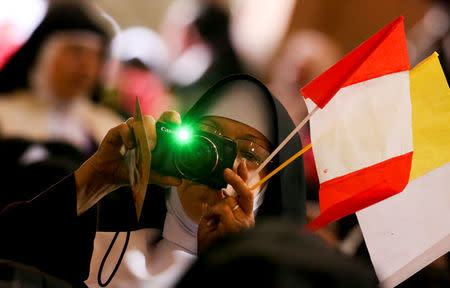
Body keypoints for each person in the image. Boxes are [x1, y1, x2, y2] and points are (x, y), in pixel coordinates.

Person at [86, 74, 306, 287]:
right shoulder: (92, 245)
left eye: (249, 155)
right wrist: (93, 180)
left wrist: (232, 262)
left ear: (272, 186)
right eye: (207, 140)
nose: (220, 163)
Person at [0, 0, 123, 209]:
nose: (86, 67)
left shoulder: (110, 124)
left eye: (95, 56)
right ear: (45, 53)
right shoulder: (4, 115)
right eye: (76, 52)